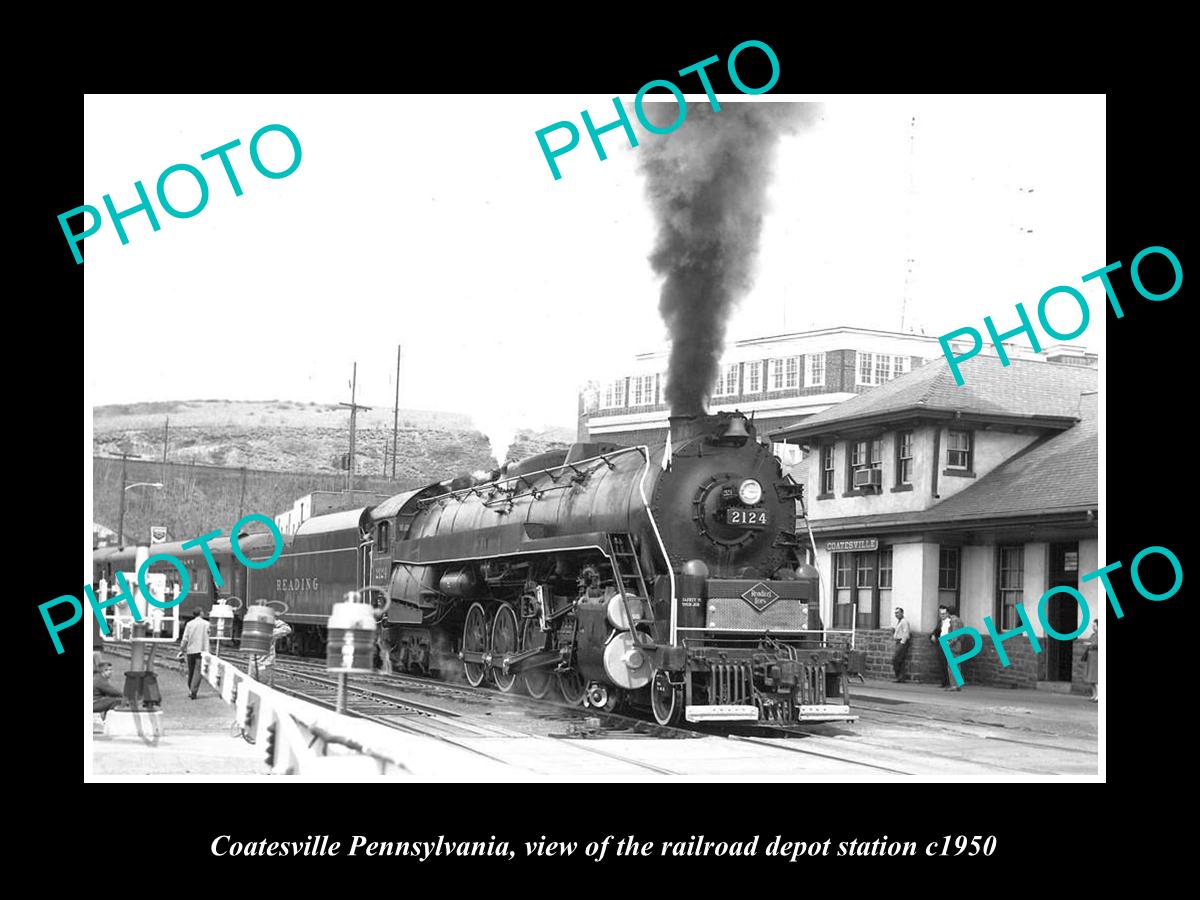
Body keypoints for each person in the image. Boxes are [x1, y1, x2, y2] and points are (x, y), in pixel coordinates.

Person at [930, 605, 967, 690]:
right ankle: (957, 685)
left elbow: (954, 635)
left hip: (954, 645)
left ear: (949, 612)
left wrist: (949, 643)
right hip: (958, 644)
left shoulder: (953, 621)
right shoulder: (959, 620)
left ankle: (954, 685)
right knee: (956, 665)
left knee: (951, 665)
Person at [178, 608, 210, 700]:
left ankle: (191, 690)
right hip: (202, 651)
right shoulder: (207, 624)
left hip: (191, 651)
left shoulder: (189, 624)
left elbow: (185, 638)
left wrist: (181, 650)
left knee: (191, 671)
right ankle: (193, 691)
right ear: (201, 613)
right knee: (198, 671)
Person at [891, 607, 911, 682]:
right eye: (895, 613)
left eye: (898, 613)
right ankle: (900, 677)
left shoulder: (904, 622)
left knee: (896, 659)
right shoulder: (898, 622)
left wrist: (902, 642)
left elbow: (906, 632)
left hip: (902, 642)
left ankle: (899, 676)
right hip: (898, 641)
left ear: (902, 613)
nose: (896, 614)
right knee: (900, 660)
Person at [1081, 619, 1099, 702]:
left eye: (1095, 626)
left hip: (1096, 657)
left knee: (1096, 678)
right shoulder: (1093, 635)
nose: (1093, 627)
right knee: (1091, 678)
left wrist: (1091, 644)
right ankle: (1094, 695)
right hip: (1091, 657)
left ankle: (1098, 695)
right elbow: (1088, 641)